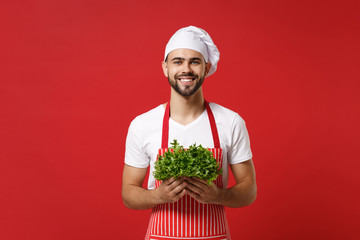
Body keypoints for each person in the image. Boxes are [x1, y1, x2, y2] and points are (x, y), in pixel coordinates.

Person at [122, 26, 257, 240]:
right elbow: (128, 194)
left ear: (206, 67)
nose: (186, 69)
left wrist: (219, 195)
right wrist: (158, 195)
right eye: (178, 61)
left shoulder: (230, 122)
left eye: (195, 61)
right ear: (165, 68)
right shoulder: (143, 124)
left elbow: (249, 191)